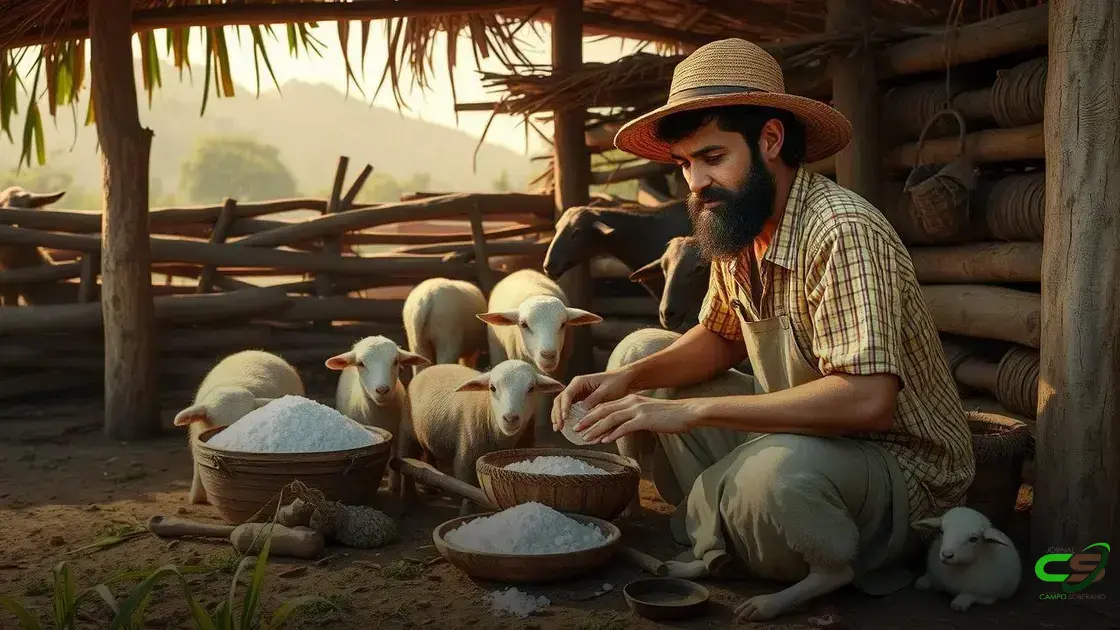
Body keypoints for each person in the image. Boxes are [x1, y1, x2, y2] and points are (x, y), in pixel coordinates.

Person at [550, 38, 975, 621]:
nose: (696, 182)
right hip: (809, 438)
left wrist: (692, 414)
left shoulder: (841, 231)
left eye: (713, 156)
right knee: (640, 349)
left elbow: (869, 400)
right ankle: (740, 518)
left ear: (770, 141)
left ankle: (743, 524)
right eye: (685, 164)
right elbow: (721, 338)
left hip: (896, 468)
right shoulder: (737, 224)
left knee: (774, 476)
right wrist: (622, 379)